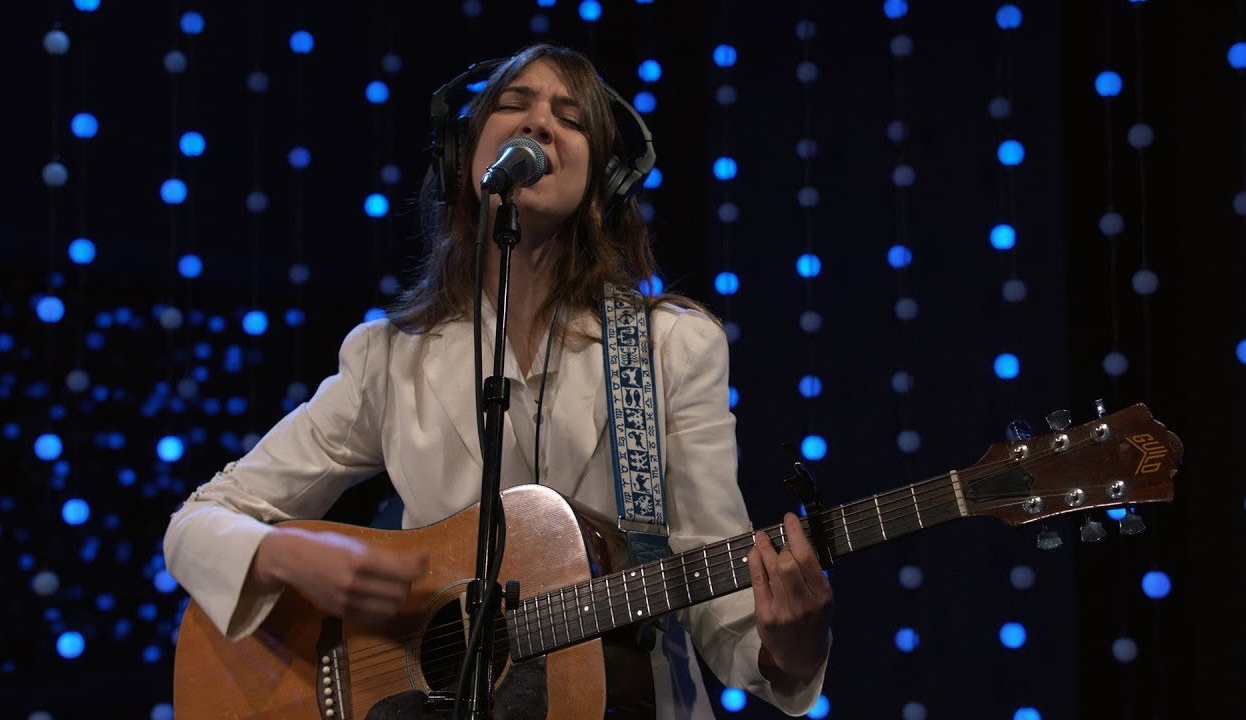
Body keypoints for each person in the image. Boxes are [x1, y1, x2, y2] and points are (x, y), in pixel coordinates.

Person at [164, 43, 833, 718]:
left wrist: (789, 648)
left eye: (570, 118)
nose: (539, 123)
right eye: (514, 105)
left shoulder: (669, 347)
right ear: (463, 156)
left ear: (604, 178)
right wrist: (285, 556)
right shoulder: (389, 359)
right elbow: (198, 521)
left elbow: (715, 582)